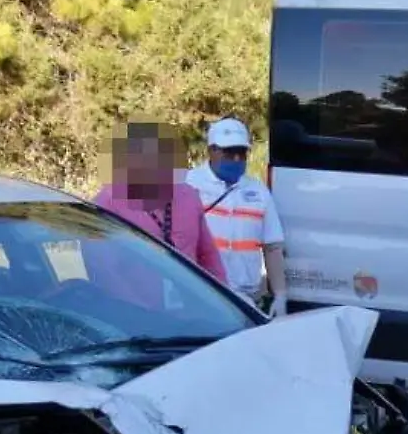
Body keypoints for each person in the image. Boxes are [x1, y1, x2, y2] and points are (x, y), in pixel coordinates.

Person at [91, 120, 228, 307]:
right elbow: (103, 270)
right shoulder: (108, 202)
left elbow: (208, 257)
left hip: (196, 316)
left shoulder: (188, 196)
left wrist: (224, 305)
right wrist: (143, 313)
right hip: (142, 321)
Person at [185, 116, 288, 319]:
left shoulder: (258, 192)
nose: (236, 160)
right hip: (200, 295)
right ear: (212, 150)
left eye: (241, 153)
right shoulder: (188, 186)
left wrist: (281, 295)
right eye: (229, 152)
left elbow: (273, 247)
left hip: (245, 299)